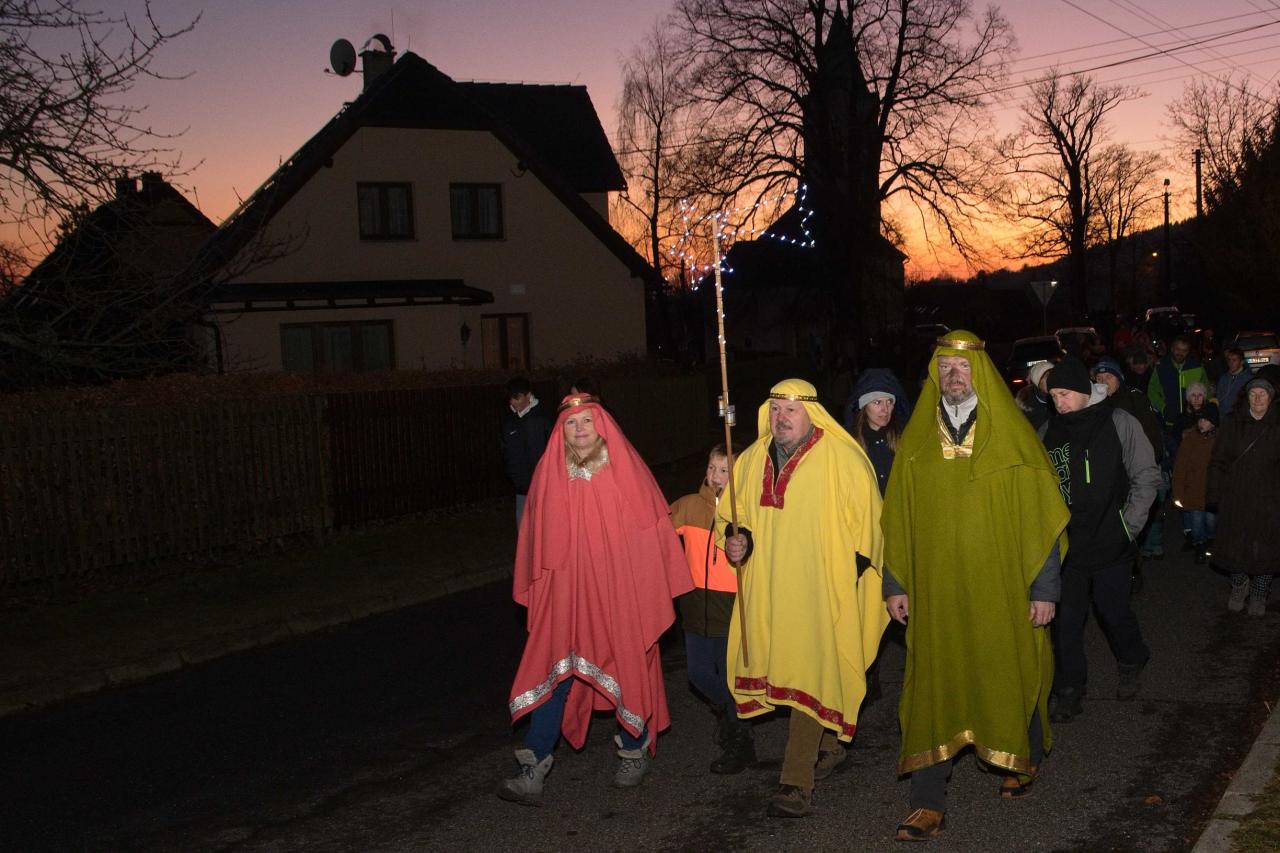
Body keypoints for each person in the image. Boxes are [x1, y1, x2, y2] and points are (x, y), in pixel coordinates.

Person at [880, 331, 1069, 842]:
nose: (954, 375)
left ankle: (1021, 756)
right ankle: (927, 801)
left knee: (1008, 666)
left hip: (1003, 586)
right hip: (937, 591)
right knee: (933, 681)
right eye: (945, 366)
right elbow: (897, 521)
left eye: (963, 367)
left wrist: (1044, 589)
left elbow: (1042, 518)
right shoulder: (916, 443)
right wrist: (896, 583)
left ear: (980, 373)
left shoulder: (1013, 435)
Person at [499, 393, 692, 805]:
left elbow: (651, 534)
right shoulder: (548, 475)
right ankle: (534, 764)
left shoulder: (626, 471)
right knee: (555, 670)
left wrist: (643, 590)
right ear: (561, 431)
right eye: (571, 423)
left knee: (626, 664)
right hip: (566, 598)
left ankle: (633, 749)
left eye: (587, 421)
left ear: (602, 426)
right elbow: (534, 539)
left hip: (617, 595)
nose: (580, 429)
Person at [720, 378, 887, 818]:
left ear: (811, 413)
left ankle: (796, 782)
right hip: (771, 591)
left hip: (820, 592)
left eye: (791, 410)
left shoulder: (842, 458)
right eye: (775, 409)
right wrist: (738, 541)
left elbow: (868, 526)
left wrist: (843, 580)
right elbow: (735, 517)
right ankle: (829, 745)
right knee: (798, 669)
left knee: (810, 674)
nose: (781, 418)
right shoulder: (751, 459)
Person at [1038, 358, 1160, 724]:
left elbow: (1146, 475)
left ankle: (1132, 658)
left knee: (1114, 611)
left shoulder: (1119, 422)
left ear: (1082, 391)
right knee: (1066, 622)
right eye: (1054, 396)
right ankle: (1069, 688)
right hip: (1068, 549)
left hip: (1111, 542)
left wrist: (1128, 527)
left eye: (1064, 394)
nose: (1058, 402)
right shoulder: (1048, 431)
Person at [669, 446, 754, 775]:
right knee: (698, 674)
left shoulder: (743, 510)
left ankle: (739, 740)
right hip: (694, 606)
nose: (716, 476)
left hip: (728, 608)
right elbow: (657, 530)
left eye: (724, 470)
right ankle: (731, 716)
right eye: (711, 468)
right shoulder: (689, 505)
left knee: (730, 678)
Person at [1206, 378, 1280, 616]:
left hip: (1269, 500)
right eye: (1253, 394)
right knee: (1234, 548)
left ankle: (1259, 593)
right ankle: (1239, 587)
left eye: (1262, 394)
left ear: (1271, 398)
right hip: (1235, 497)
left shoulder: (1277, 424)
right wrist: (1214, 493)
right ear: (1246, 398)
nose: (1257, 399)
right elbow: (1218, 460)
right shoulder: (1232, 422)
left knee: (1266, 551)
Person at [1093, 357, 1165, 581]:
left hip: (1131, 472)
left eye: (1109, 376)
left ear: (1119, 378)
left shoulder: (1134, 399)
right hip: (1107, 477)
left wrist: (1147, 466)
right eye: (1099, 377)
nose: (1103, 382)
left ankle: (1131, 570)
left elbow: (1152, 437)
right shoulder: (1093, 406)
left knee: (1131, 521)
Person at [845, 368, 910, 496]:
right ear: (864, 406)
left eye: (889, 402)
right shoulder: (850, 442)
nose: (885, 409)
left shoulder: (904, 438)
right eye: (877, 402)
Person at [1148, 335, 1209, 467]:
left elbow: (1206, 391)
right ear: (1172, 348)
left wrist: (1202, 411)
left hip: (1193, 422)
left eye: (1184, 350)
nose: (1180, 353)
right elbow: (1152, 391)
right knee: (1175, 460)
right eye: (1177, 349)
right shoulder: (1161, 367)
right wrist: (1163, 408)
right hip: (1170, 423)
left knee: (1194, 460)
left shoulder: (1196, 367)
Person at [501, 377, 552, 527]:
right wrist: (513, 475)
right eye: (510, 398)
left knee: (544, 528)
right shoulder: (509, 421)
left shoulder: (543, 418)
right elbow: (505, 450)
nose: (513, 402)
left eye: (516, 398)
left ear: (528, 395)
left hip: (544, 488)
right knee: (523, 529)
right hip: (521, 488)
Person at [1172, 403, 1219, 564]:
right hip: (1194, 491)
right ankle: (1199, 546)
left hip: (1212, 492)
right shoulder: (1191, 439)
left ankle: (1211, 542)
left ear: (1213, 422)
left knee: (1211, 521)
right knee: (1197, 523)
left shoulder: (1220, 440)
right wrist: (1178, 493)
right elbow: (1180, 467)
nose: (1201, 423)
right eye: (1200, 420)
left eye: (1205, 420)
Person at [1216, 348, 1250, 417]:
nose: (1231, 363)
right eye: (1229, 360)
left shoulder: (1248, 379)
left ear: (1242, 362)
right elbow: (1219, 397)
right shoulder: (1223, 378)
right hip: (1224, 416)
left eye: (1234, 360)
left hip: (1239, 416)